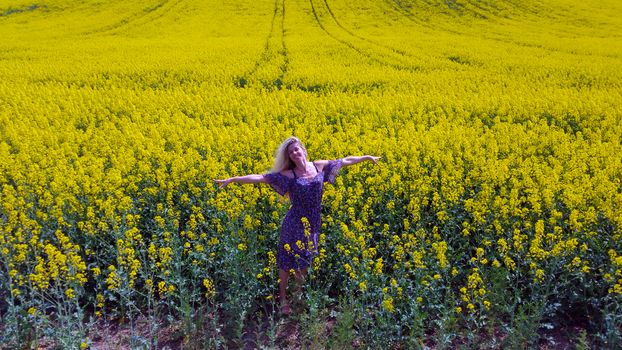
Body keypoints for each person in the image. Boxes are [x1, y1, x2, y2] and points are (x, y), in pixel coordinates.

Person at [214, 136, 380, 315]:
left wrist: (367, 157)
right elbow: (261, 178)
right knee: (286, 262)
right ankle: (283, 299)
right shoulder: (289, 174)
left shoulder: (319, 166)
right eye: (290, 152)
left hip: (313, 221)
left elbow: (345, 160)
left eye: (296, 149)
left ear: (302, 149)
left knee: (305, 260)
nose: (294, 153)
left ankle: (298, 295)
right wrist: (232, 179)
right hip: (294, 221)